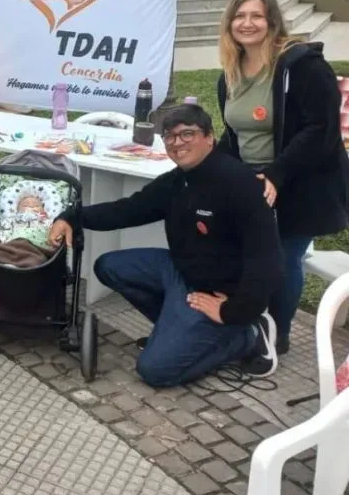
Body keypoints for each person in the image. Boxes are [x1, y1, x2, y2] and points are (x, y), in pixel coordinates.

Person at [49, 104, 283, 387]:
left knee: (155, 371)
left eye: (187, 134)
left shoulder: (240, 184)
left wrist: (234, 311)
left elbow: (266, 259)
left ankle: (247, 336)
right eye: (170, 136)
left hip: (219, 292)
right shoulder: (176, 180)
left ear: (209, 137)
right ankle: (175, 332)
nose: (177, 143)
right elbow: (128, 209)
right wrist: (72, 217)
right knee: (109, 266)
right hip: (182, 273)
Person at [216, 0, 349, 355]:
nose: (247, 23)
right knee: (250, 255)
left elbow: (321, 130)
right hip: (255, 181)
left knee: (283, 258)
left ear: (272, 21)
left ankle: (278, 336)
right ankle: (248, 323)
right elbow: (235, 135)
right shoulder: (230, 74)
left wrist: (277, 173)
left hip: (302, 182)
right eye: (239, 16)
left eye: (256, 16)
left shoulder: (303, 65)